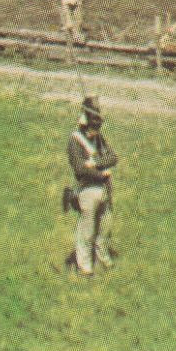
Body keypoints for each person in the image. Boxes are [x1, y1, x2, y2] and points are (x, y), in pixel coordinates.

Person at [66, 95, 117, 276]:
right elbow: (80, 170)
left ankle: (103, 259)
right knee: (86, 231)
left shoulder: (99, 139)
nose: (96, 131)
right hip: (87, 190)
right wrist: (101, 174)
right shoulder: (74, 141)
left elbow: (113, 157)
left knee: (106, 227)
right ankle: (84, 266)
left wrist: (94, 162)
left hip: (103, 190)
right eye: (93, 126)